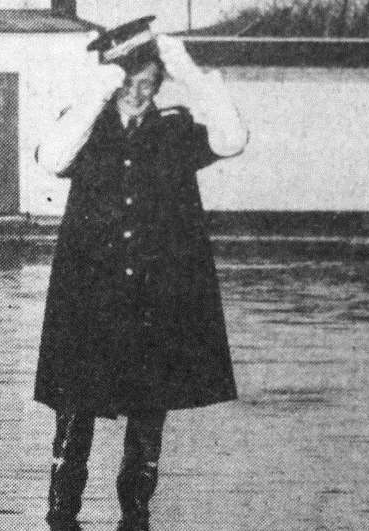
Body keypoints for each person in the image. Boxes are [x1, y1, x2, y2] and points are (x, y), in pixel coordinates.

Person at [33, 16, 248, 531]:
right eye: (129, 79)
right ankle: (62, 518)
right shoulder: (84, 124)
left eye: (149, 78)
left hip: (156, 302)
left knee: (148, 422)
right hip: (89, 301)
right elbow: (52, 159)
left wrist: (192, 75)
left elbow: (232, 139)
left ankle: (137, 518)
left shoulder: (175, 129)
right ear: (111, 79)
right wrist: (99, 90)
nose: (139, 88)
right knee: (74, 416)